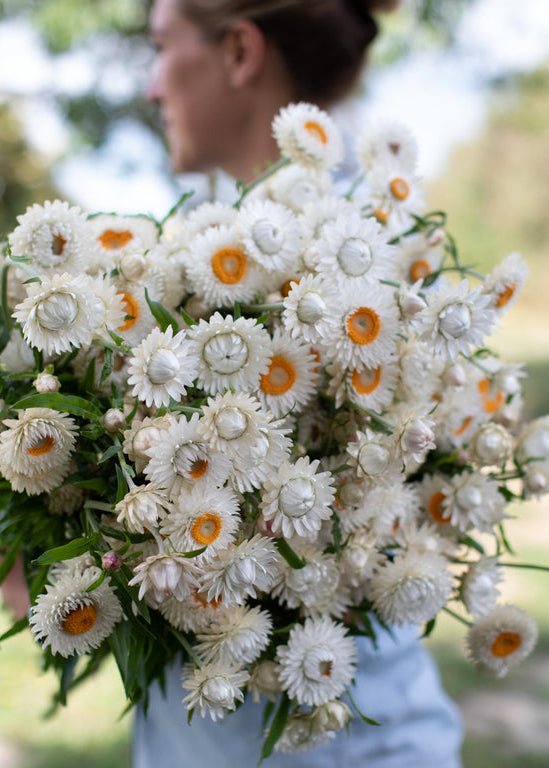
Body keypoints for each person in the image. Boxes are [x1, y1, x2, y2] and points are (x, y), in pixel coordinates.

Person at [135, 1, 464, 766]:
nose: (152, 86)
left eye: (160, 47)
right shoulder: (188, 268)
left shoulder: (356, 287)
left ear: (238, 51)